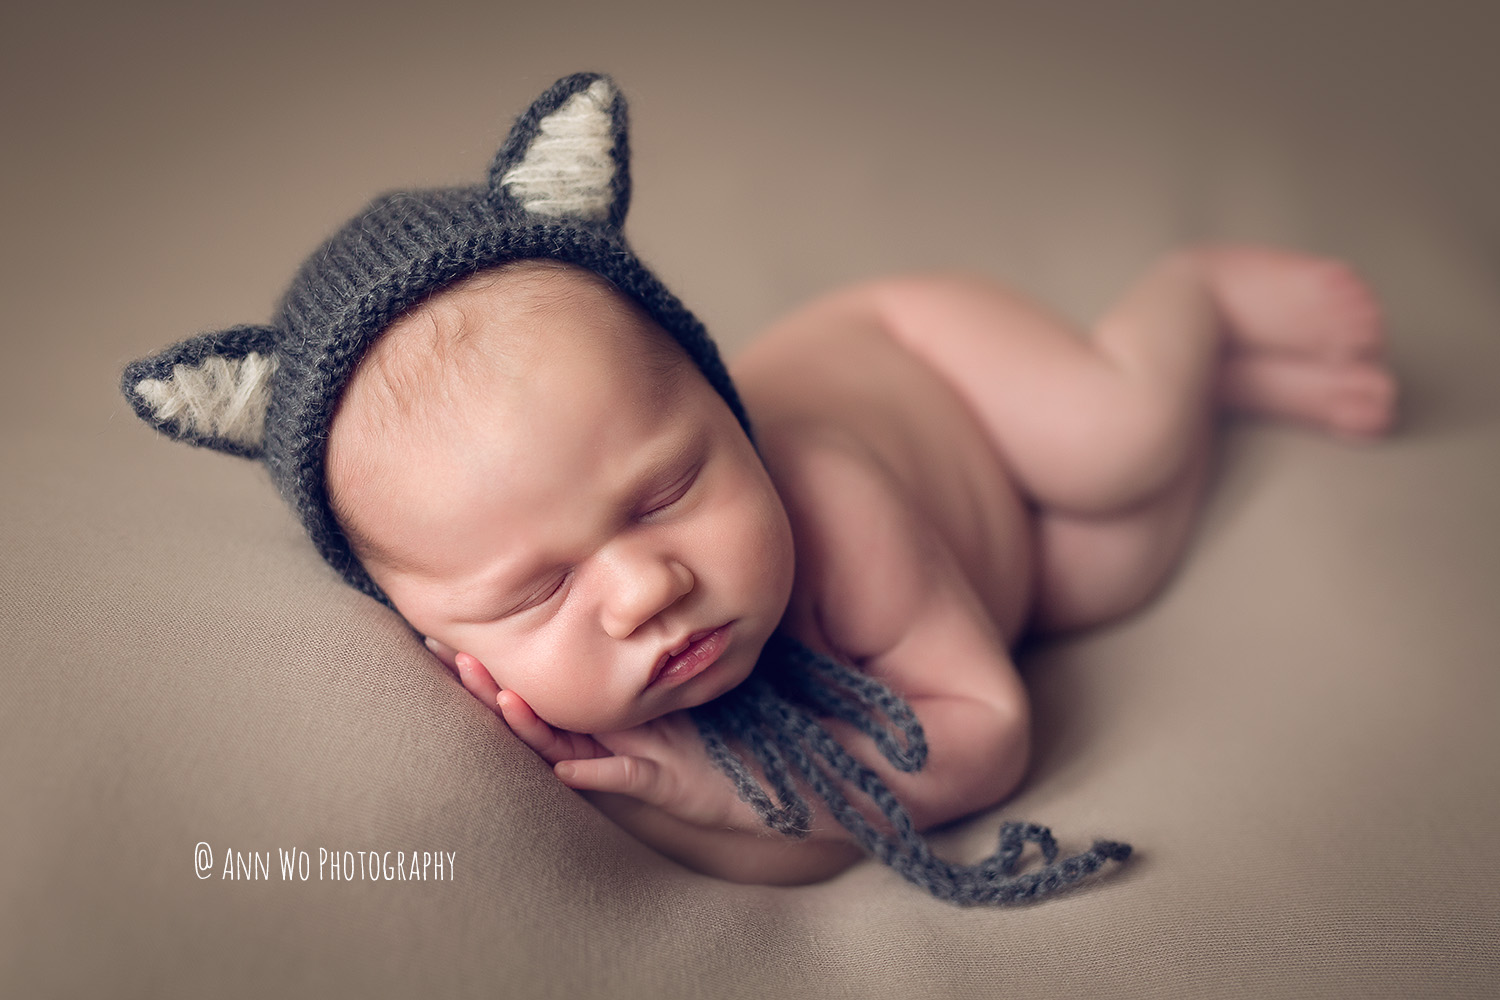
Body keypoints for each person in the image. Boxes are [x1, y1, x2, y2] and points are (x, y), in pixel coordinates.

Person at [122, 73, 1397, 900]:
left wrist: (734, 793)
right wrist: (703, 804)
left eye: (668, 488)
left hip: (927, 364)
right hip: (998, 562)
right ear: (435, 632)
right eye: (537, 588)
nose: (643, 587)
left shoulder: (833, 502)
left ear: (726, 413)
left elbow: (989, 729)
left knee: (1110, 446)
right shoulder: (569, 703)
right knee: (1107, 567)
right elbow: (784, 847)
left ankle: (1188, 306)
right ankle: (1237, 401)